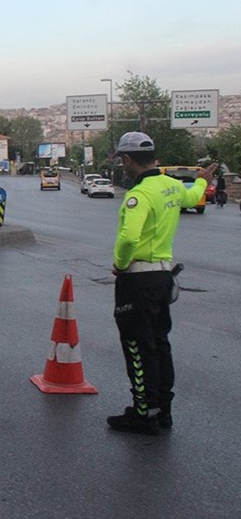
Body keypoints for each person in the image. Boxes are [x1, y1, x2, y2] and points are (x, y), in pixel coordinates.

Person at [107, 131, 217, 435]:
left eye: (122, 161)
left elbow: (129, 237)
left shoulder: (139, 195)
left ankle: (143, 413)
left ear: (127, 159)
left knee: (137, 346)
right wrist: (201, 179)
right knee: (158, 344)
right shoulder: (171, 186)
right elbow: (195, 196)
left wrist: (119, 264)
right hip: (163, 277)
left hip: (138, 279)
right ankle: (162, 410)